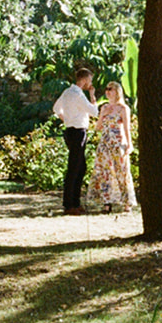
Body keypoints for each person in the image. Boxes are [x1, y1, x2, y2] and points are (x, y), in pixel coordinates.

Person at [52, 67, 98, 216]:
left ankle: (75, 202)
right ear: (84, 79)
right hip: (78, 132)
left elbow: (56, 108)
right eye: (89, 80)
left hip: (70, 131)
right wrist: (92, 96)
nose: (90, 83)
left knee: (80, 167)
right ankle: (69, 204)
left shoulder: (67, 92)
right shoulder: (78, 95)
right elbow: (94, 112)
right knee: (74, 167)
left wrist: (67, 119)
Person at [86, 81, 135, 212]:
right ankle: (107, 203)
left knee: (122, 171)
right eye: (106, 89)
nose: (107, 92)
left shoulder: (123, 108)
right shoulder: (104, 107)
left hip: (118, 143)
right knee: (105, 172)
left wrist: (129, 144)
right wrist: (103, 114)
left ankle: (127, 203)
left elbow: (127, 128)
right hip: (105, 143)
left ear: (117, 92)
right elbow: (98, 127)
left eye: (111, 89)